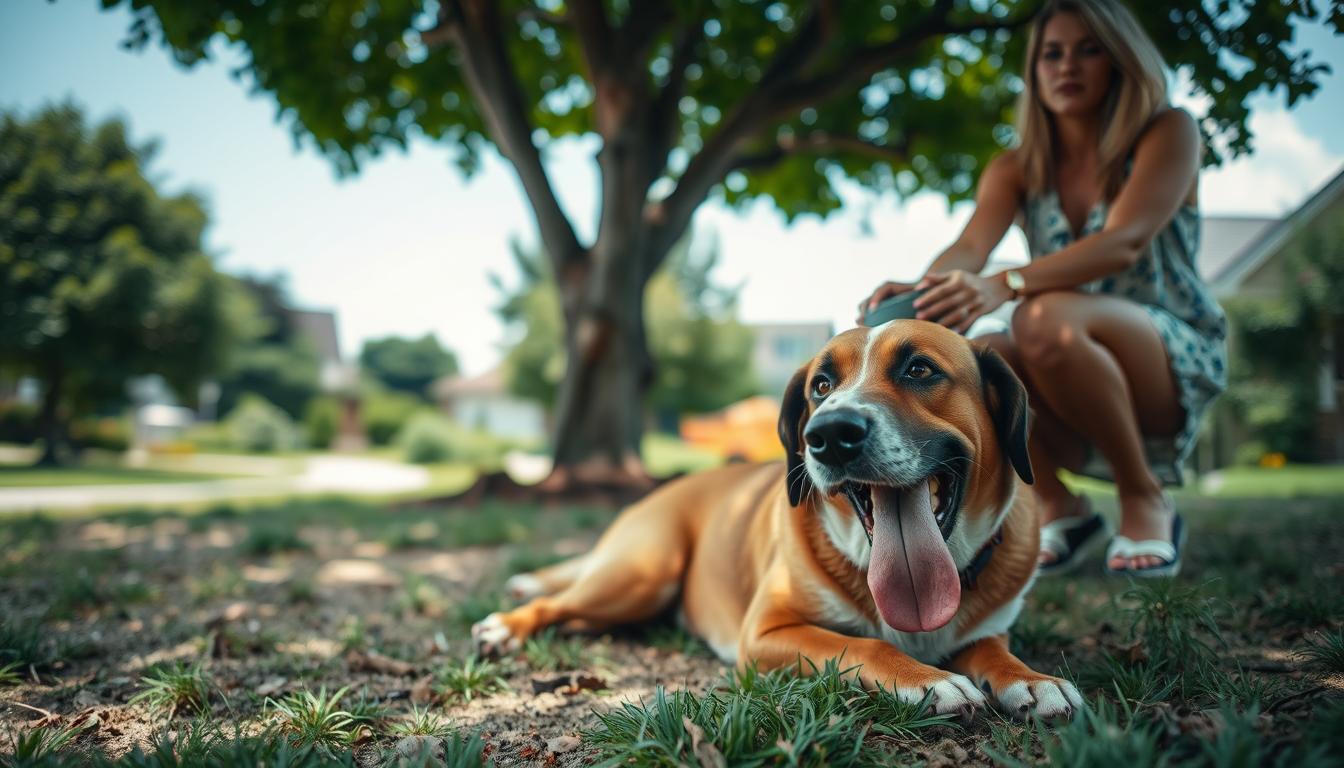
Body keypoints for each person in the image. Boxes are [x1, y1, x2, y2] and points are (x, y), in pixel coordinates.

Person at [858, 0, 1226, 577]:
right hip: (1065, 357)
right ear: (1034, 71)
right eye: (1052, 54)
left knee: (1038, 317)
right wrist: (927, 290)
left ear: (1120, 60)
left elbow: (1124, 241)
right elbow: (970, 248)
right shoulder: (1017, 167)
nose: (1067, 66)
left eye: (1088, 50)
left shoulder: (1167, 131)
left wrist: (1006, 285)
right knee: (984, 360)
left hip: (1169, 354)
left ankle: (1143, 496)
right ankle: (1061, 506)